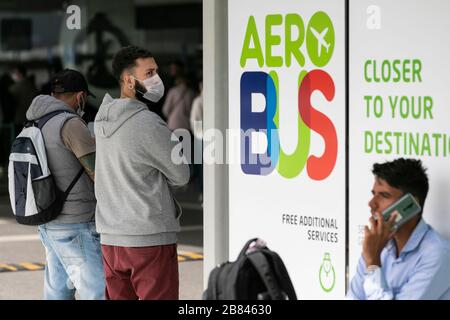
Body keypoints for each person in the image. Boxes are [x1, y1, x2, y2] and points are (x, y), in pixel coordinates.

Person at [94, 45, 190, 300]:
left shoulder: (101, 121)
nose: (157, 78)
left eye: (156, 71)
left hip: (111, 239)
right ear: (128, 80)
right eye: (149, 73)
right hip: (148, 238)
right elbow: (181, 174)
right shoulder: (148, 123)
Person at [26, 69, 105, 300]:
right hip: (76, 223)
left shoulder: (34, 122)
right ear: (80, 96)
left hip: (48, 221)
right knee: (98, 292)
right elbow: (97, 172)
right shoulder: (70, 123)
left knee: (58, 293)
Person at [347, 158, 450, 300]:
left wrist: (373, 264)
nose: (371, 204)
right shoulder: (377, 245)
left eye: (383, 195)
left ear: (410, 204)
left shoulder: (437, 254)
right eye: (373, 194)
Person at [162, 60, 196, 132]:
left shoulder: (173, 91)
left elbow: (165, 110)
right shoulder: (191, 92)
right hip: (187, 125)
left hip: (173, 124)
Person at [9, 64, 38, 131]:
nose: (13, 75)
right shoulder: (32, 86)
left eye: (14, 73)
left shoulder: (14, 88)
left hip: (19, 119)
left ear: (19, 74)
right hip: (31, 118)